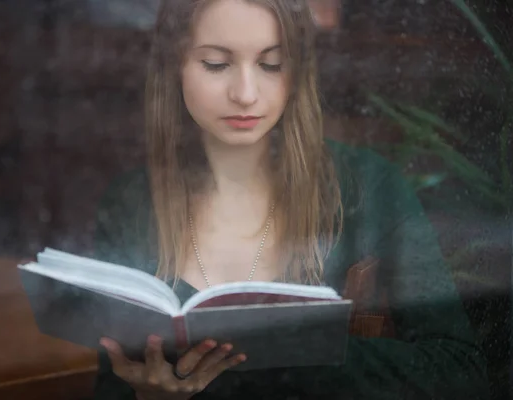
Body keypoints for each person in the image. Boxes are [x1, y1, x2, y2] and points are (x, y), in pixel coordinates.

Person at [91, 0, 489, 398]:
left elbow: (460, 369)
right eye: (216, 64)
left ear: (298, 71)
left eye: (272, 64)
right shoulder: (132, 202)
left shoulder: (368, 186)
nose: (245, 94)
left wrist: (294, 350)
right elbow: (114, 382)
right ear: (173, 66)